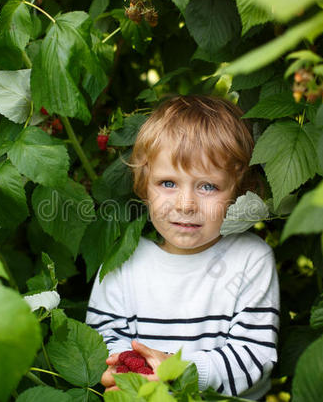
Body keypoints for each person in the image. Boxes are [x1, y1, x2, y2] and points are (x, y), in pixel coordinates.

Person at [85, 95, 280, 400]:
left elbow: (254, 356)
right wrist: (127, 370)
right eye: (168, 183)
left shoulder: (250, 259)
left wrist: (179, 372)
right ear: (144, 184)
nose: (185, 204)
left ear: (239, 189)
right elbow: (102, 340)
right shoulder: (122, 260)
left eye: (207, 186)